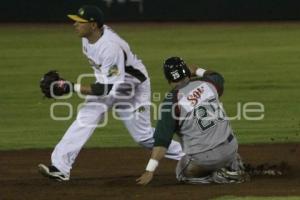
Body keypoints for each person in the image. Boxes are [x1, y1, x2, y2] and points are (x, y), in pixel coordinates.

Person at [38, 5, 184, 181]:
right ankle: (60, 167)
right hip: (110, 83)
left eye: (80, 22)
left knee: (143, 136)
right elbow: (104, 82)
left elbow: (107, 89)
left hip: (133, 88)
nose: (75, 24)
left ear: (93, 25)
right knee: (86, 117)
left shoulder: (110, 47)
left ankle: (188, 155)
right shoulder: (87, 38)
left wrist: (70, 86)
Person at [136, 57, 248, 185]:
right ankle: (232, 164)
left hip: (206, 159)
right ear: (187, 72)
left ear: (168, 79)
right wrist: (198, 70)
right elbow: (218, 77)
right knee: (223, 143)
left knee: (181, 172)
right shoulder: (208, 84)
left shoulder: (171, 102)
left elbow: (162, 141)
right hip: (231, 148)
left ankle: (219, 176)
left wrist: (149, 170)